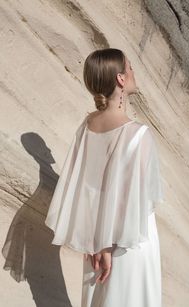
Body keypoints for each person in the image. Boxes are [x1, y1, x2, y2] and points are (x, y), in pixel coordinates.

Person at [45, 48, 165, 306]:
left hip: (97, 236)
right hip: (129, 241)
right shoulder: (138, 134)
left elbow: (86, 189)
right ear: (121, 79)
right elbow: (138, 201)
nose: (133, 72)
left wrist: (96, 239)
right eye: (130, 67)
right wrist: (108, 245)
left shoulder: (87, 126)